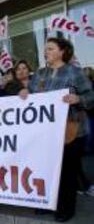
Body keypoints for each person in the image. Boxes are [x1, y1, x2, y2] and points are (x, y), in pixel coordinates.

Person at [19, 37, 94, 222]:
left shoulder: (74, 72)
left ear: (62, 51)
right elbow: (33, 97)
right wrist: (25, 93)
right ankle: (48, 204)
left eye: (51, 49)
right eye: (46, 49)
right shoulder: (40, 73)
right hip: (46, 132)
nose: (46, 52)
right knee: (47, 169)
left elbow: (90, 96)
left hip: (71, 130)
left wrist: (78, 99)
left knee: (67, 171)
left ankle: (66, 208)